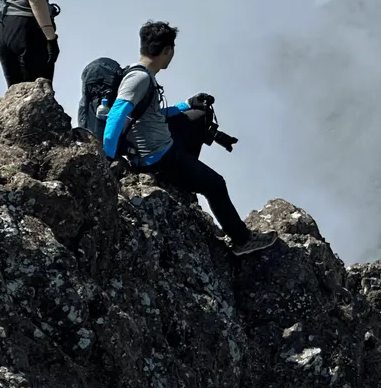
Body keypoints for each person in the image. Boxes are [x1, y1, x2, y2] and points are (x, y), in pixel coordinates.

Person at [100, 20, 276, 256]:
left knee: (197, 116)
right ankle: (242, 240)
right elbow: (116, 116)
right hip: (158, 158)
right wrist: (107, 159)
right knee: (216, 184)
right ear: (167, 51)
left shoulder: (140, 73)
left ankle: (188, 171)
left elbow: (149, 115)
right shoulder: (139, 79)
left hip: (156, 145)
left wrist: (187, 104)